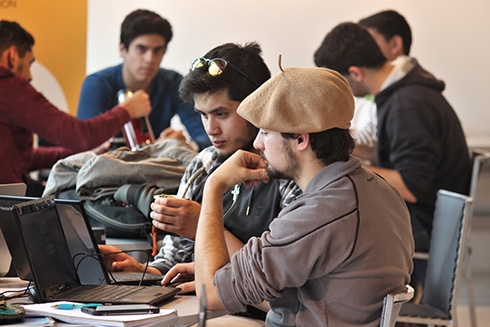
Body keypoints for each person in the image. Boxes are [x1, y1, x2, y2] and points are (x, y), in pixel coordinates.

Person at [161, 65, 414, 326]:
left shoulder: (321, 213)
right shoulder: (377, 190)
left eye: (266, 132)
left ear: (301, 139)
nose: (258, 144)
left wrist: (214, 185)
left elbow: (209, 296)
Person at [100, 42, 301, 289]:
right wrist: (142, 271)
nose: (211, 129)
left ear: (257, 104)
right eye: (203, 115)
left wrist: (200, 225)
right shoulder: (204, 164)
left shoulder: (288, 172)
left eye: (222, 114)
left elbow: (276, 276)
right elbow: (174, 260)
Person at [313, 22, 471, 253]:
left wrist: (344, 166)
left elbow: (410, 187)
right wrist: (340, 148)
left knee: (334, 231)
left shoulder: (407, 106)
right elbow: (390, 154)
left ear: (355, 73)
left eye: (339, 82)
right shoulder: (402, 92)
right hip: (427, 215)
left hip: (428, 224)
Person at [0, 20, 151, 196]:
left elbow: (21, 158)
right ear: (13, 55)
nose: (29, 76)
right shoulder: (9, 86)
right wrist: (127, 110)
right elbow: (81, 135)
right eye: (29, 63)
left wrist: (79, 152)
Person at [76, 9, 210, 150]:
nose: (150, 59)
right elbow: (85, 148)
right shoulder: (96, 85)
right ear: (122, 49)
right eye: (141, 49)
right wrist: (154, 150)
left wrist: (184, 146)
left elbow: (207, 135)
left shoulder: (173, 82)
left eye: (157, 50)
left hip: (158, 169)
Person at [344, 10, 413, 165]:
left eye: (369, 44)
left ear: (395, 45)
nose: (360, 51)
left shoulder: (407, 102)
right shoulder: (367, 93)